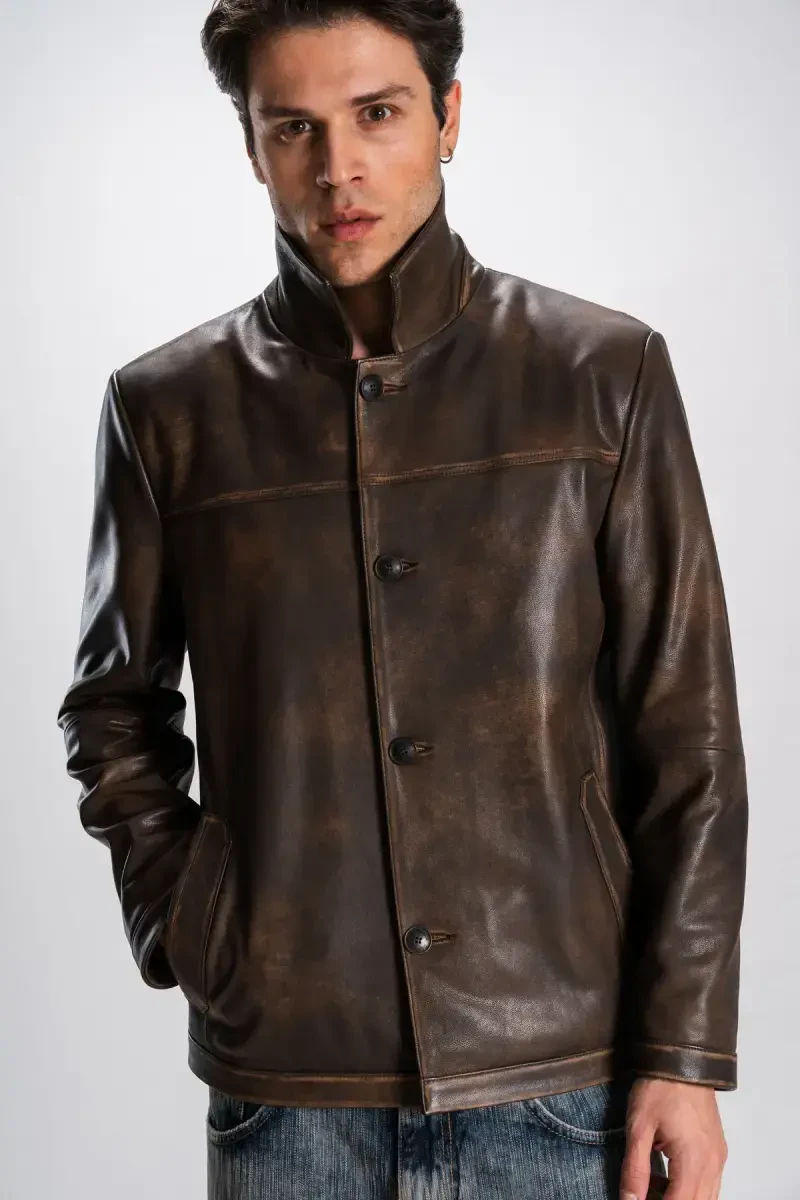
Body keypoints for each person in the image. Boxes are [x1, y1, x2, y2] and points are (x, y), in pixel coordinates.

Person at [56, 1, 748, 1197]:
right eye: (293, 127)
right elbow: (112, 709)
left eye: (376, 113)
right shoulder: (167, 409)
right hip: (287, 1095)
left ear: (448, 116)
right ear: (250, 145)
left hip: (560, 1082)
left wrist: (682, 1057)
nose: (338, 167)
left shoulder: (599, 374)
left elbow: (684, 736)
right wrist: (193, 919)